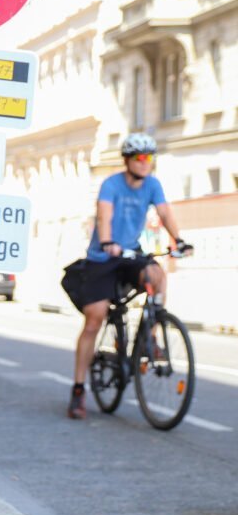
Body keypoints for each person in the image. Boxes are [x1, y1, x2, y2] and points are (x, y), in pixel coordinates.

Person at [63, 133, 191, 420]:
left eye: (150, 158)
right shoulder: (111, 184)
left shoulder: (153, 185)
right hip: (103, 257)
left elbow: (165, 212)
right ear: (127, 160)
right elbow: (104, 216)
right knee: (94, 318)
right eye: (140, 158)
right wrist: (107, 241)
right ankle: (79, 389)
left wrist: (179, 239)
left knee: (157, 276)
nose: (146, 163)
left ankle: (150, 337)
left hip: (131, 253)